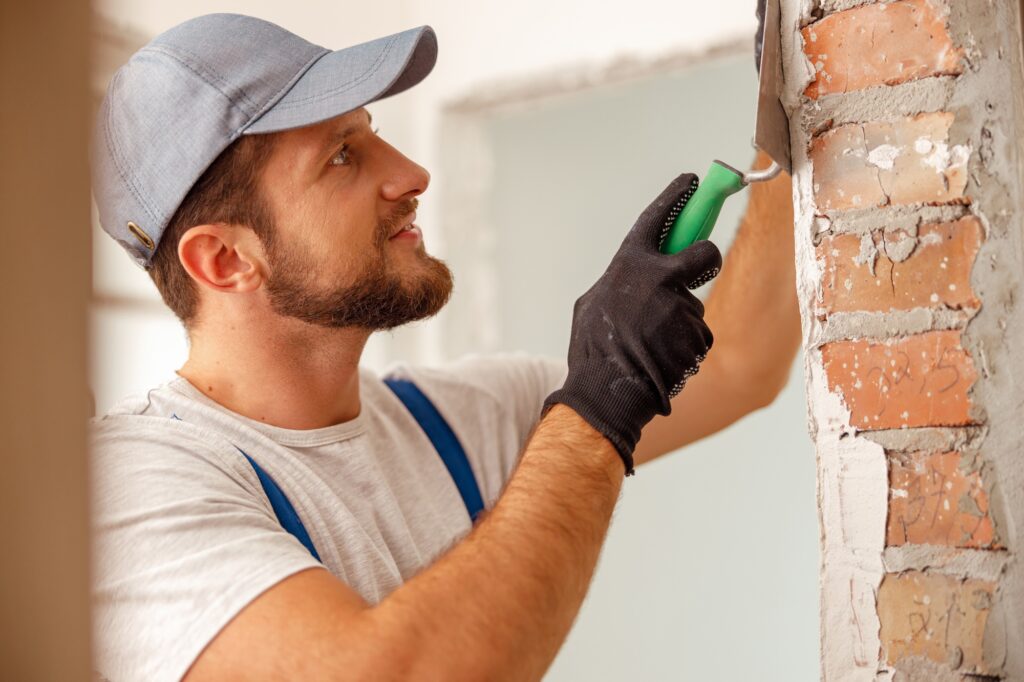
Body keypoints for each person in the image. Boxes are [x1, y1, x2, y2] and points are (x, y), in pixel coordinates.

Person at [90, 13, 799, 681]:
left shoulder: (462, 418)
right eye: (342, 156)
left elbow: (740, 361)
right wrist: (601, 396)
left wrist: (792, 95)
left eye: (370, 133)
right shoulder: (127, 492)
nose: (409, 174)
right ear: (224, 261)